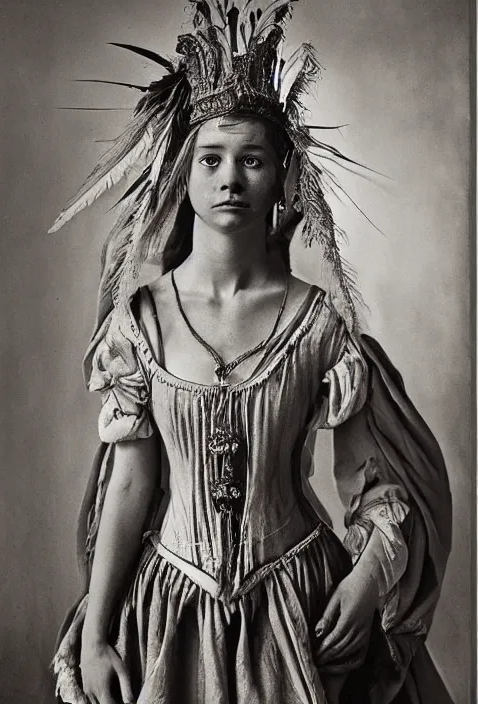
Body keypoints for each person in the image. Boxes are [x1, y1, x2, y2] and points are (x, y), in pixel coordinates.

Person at [50, 2, 453, 703]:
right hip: (168, 612)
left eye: (252, 159)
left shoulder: (321, 326)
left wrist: (364, 582)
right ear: (184, 173)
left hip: (298, 611)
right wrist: (96, 634)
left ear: (280, 176)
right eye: (211, 158)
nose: (230, 177)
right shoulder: (140, 323)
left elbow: (375, 490)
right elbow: (130, 483)